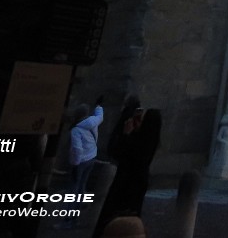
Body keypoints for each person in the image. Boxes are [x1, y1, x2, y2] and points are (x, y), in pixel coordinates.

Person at [94, 108, 161, 236]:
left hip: (125, 183)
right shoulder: (151, 141)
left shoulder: (138, 142)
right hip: (138, 183)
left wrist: (126, 134)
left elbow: (119, 153)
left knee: (114, 216)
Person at [69, 98, 104, 194]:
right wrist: (98, 106)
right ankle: (79, 205)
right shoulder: (93, 121)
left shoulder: (76, 130)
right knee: (82, 183)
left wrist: (75, 164)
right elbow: (100, 116)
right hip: (92, 157)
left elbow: (77, 149)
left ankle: (70, 207)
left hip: (80, 161)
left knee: (74, 185)